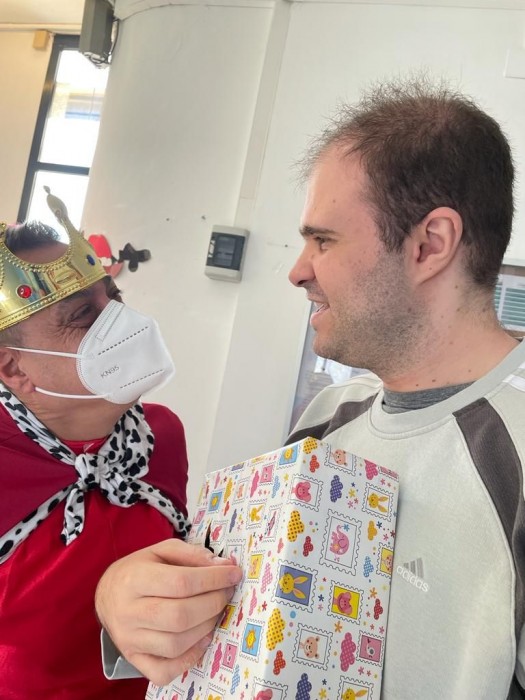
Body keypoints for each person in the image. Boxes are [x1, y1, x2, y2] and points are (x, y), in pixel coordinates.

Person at [95, 78, 525, 698]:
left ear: (429, 245)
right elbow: (250, 634)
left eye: (323, 240)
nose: (297, 271)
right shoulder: (326, 417)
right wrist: (128, 605)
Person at [0, 200, 241, 699]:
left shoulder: (160, 435)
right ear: (14, 369)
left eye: (114, 298)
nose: (123, 322)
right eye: (83, 314)